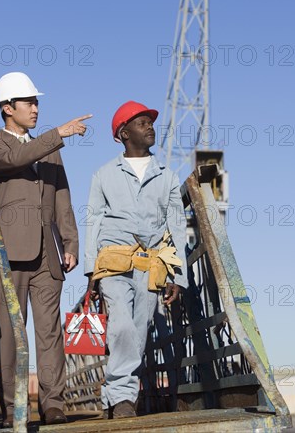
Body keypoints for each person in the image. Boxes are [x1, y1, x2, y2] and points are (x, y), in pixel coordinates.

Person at [0, 72, 92, 427]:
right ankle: (13, 407)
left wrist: (70, 243)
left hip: (48, 255)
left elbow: (62, 199)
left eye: (37, 102)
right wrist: (59, 134)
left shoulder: (50, 152)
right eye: (30, 102)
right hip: (9, 254)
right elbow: (17, 159)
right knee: (11, 333)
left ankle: (53, 404)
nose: (36, 108)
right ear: (8, 108)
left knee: (50, 332)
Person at [84, 100, 188, 419]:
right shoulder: (103, 174)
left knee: (139, 329)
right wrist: (91, 269)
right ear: (123, 133)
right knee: (122, 327)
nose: (150, 127)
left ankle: (111, 399)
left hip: (150, 263)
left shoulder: (167, 176)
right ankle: (125, 398)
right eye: (142, 123)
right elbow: (94, 220)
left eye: (150, 122)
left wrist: (177, 277)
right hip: (112, 261)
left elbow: (178, 228)